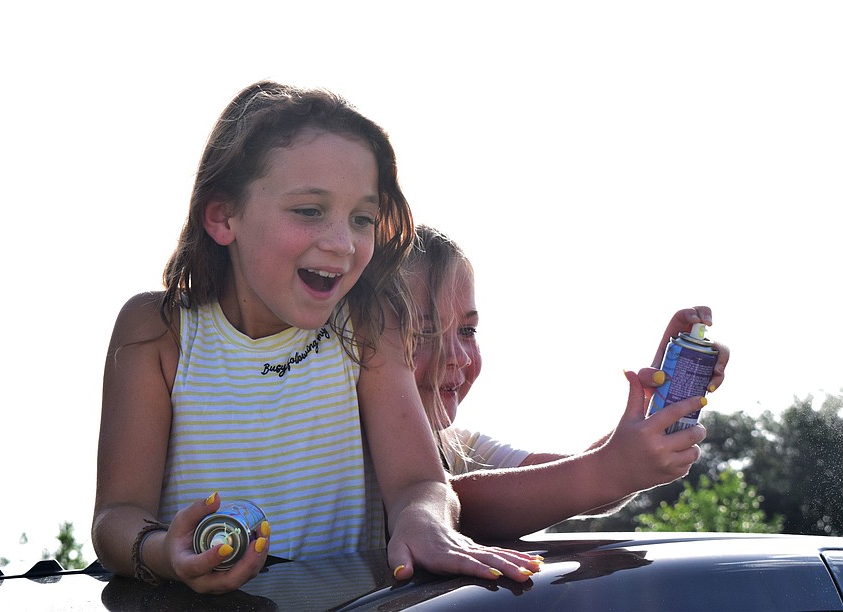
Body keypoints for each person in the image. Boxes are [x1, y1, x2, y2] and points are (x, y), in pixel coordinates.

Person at [91, 82, 541, 595]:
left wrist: (424, 520)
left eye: (362, 219)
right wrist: (162, 552)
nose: (343, 243)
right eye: (309, 211)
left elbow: (420, 483)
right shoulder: (158, 332)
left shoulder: (368, 326)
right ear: (222, 216)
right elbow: (116, 517)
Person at [403, 224, 730, 540]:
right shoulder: (359, 452)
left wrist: (651, 414)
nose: (458, 356)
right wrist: (614, 468)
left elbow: (568, 481)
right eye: (425, 330)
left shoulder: (458, 446)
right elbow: (460, 505)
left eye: (467, 331)